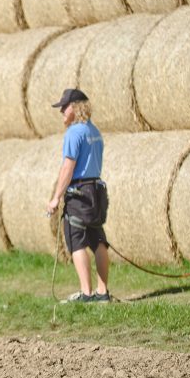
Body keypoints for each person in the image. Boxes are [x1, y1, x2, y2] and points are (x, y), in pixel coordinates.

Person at [45, 88, 111, 304]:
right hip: (96, 191)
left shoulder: (74, 133)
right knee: (98, 240)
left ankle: (87, 293)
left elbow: (68, 167)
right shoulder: (94, 131)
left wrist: (56, 197)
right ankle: (103, 293)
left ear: (74, 107)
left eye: (64, 107)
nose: (62, 111)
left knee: (77, 241)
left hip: (79, 193)